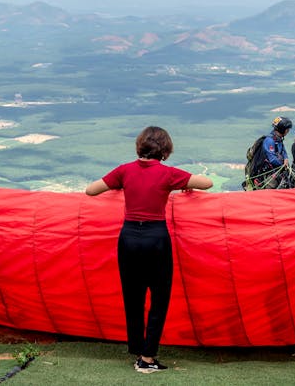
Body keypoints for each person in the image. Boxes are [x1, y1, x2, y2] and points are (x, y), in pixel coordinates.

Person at [85, 126, 213, 374]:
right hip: (156, 238)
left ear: (140, 146)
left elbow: (91, 190)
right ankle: (147, 356)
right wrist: (186, 185)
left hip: (128, 238)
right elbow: (206, 182)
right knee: (159, 298)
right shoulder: (168, 174)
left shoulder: (124, 170)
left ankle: (136, 349)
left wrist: (120, 186)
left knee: (133, 297)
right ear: (165, 150)